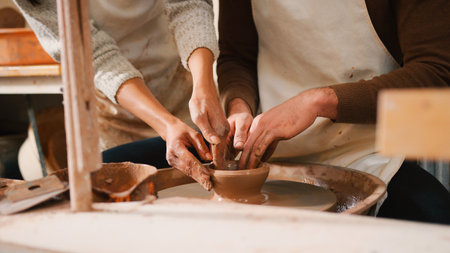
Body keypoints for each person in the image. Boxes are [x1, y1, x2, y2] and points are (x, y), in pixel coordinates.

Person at [217, 0, 450, 223]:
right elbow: (237, 57)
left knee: (436, 226)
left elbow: (436, 71)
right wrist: (238, 105)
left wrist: (318, 101)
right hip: (270, 155)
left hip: (369, 153)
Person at [15, 0, 229, 189]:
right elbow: (96, 56)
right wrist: (166, 124)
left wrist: (204, 85)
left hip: (182, 80)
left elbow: (188, 5)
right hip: (111, 108)